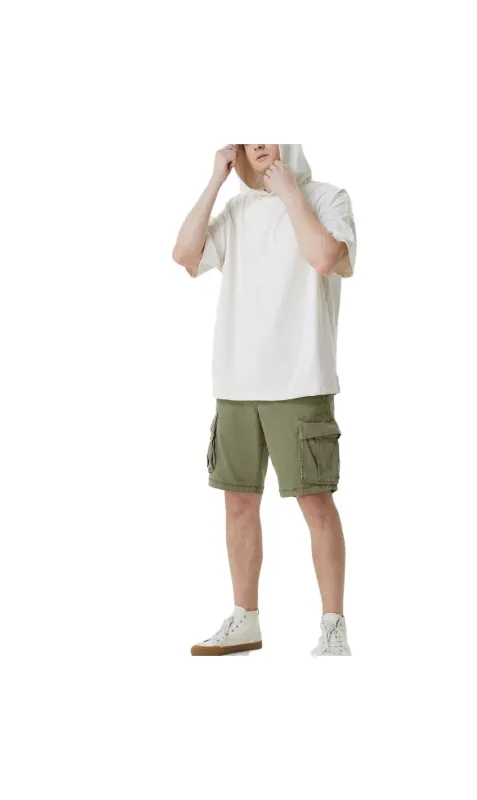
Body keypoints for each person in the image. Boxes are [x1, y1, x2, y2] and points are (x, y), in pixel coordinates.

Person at [172, 144, 357, 657]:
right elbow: (185, 255)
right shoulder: (237, 210)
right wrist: (216, 179)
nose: (257, 142)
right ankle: (245, 619)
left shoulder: (327, 198)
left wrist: (290, 193)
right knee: (237, 504)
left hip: (300, 380)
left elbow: (325, 258)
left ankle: (333, 628)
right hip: (237, 384)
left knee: (315, 502)